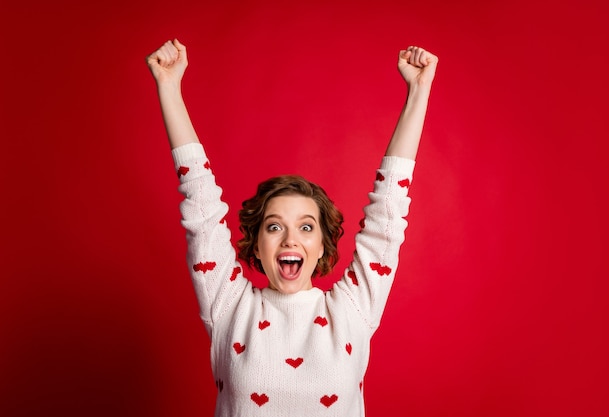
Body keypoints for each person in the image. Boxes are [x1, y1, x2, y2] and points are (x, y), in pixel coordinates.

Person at [146, 38, 437, 417]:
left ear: (322, 245)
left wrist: (419, 90)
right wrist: (168, 86)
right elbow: (200, 205)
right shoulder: (229, 308)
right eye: (273, 227)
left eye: (305, 227)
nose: (290, 240)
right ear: (256, 244)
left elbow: (387, 215)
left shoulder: (351, 311)